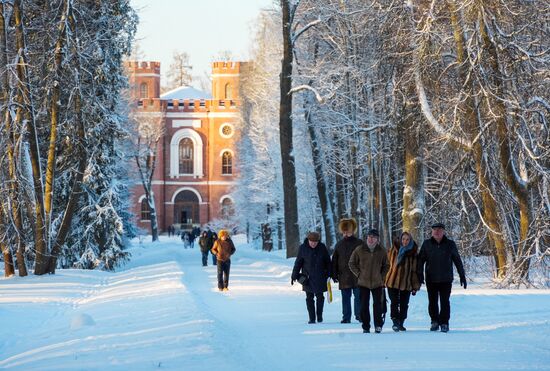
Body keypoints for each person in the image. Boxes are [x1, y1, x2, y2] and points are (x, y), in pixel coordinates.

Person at [417, 222, 466, 333]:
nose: (437, 232)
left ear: (443, 231)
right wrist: (419, 275)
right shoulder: (427, 244)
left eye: (439, 229)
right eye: (434, 229)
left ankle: (444, 323)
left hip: (446, 279)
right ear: (432, 231)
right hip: (431, 278)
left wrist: (462, 275)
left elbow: (457, 260)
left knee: (445, 302)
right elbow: (420, 261)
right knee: (432, 301)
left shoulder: (450, 244)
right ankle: (434, 321)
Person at [349, 228, 389, 334]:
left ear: (377, 239)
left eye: (374, 237)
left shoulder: (382, 250)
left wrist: (382, 276)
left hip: (377, 283)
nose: (371, 239)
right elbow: (351, 263)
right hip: (363, 282)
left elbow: (387, 265)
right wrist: (359, 274)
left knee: (378, 305)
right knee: (363, 305)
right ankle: (366, 326)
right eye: (369, 237)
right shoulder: (359, 249)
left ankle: (378, 325)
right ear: (366, 238)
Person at [291, 232, 331, 324]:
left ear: (318, 241)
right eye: (311, 241)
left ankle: (319, 315)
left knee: (320, 297)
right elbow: (298, 263)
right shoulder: (303, 248)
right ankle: (312, 318)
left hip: (320, 276)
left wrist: (329, 274)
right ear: (308, 240)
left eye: (315, 242)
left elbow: (328, 262)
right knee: (309, 297)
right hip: (307, 278)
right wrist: (294, 275)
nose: (313, 243)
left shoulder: (322, 248)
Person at [385, 231, 421, 332]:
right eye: (403, 239)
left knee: (404, 304)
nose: (405, 241)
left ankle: (401, 321)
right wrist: (383, 279)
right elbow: (386, 265)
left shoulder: (413, 253)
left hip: (406, 282)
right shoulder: (393, 250)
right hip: (392, 281)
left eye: (407, 239)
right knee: (394, 302)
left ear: (410, 241)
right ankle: (395, 321)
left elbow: (414, 271)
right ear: (400, 239)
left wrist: (415, 287)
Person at [331, 218, 362, 324]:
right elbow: (334, 260)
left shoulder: (359, 243)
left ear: (352, 231)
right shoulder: (339, 245)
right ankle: (346, 317)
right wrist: (334, 274)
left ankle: (359, 315)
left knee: (358, 297)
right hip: (344, 276)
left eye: (348, 231)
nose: (346, 234)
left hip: (357, 275)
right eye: (344, 232)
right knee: (345, 298)